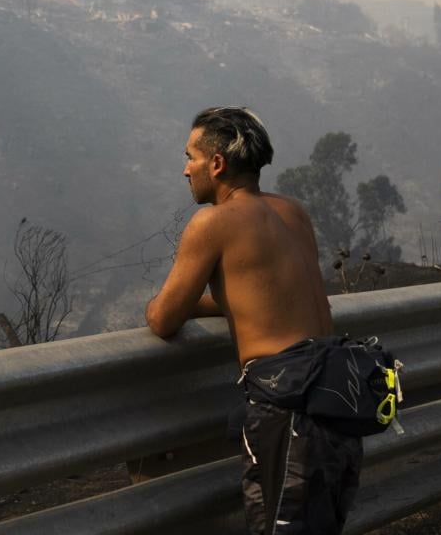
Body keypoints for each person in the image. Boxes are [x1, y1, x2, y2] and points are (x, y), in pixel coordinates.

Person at [145, 107, 362, 534]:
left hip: (288, 405)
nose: (185, 170)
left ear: (217, 164)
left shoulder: (212, 223)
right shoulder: (292, 212)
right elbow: (264, 296)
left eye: (190, 157)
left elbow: (164, 318)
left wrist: (161, 305)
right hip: (336, 391)